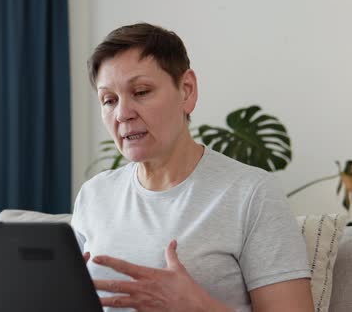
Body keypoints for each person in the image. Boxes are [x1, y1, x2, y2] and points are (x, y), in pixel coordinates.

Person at [71, 23, 314, 312]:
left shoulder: (252, 193)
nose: (122, 113)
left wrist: (197, 307)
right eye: (109, 100)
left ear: (186, 90)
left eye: (141, 91)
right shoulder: (95, 194)